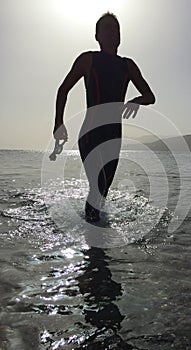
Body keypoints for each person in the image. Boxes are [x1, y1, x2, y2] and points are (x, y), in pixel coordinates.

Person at [53, 12, 155, 223]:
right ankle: (94, 244)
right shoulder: (87, 59)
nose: (111, 32)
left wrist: (136, 101)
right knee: (98, 186)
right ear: (97, 35)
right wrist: (58, 122)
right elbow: (63, 89)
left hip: (114, 135)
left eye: (115, 29)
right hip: (91, 132)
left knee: (103, 189)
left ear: (120, 37)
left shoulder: (128, 65)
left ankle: (95, 237)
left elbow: (150, 96)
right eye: (106, 28)